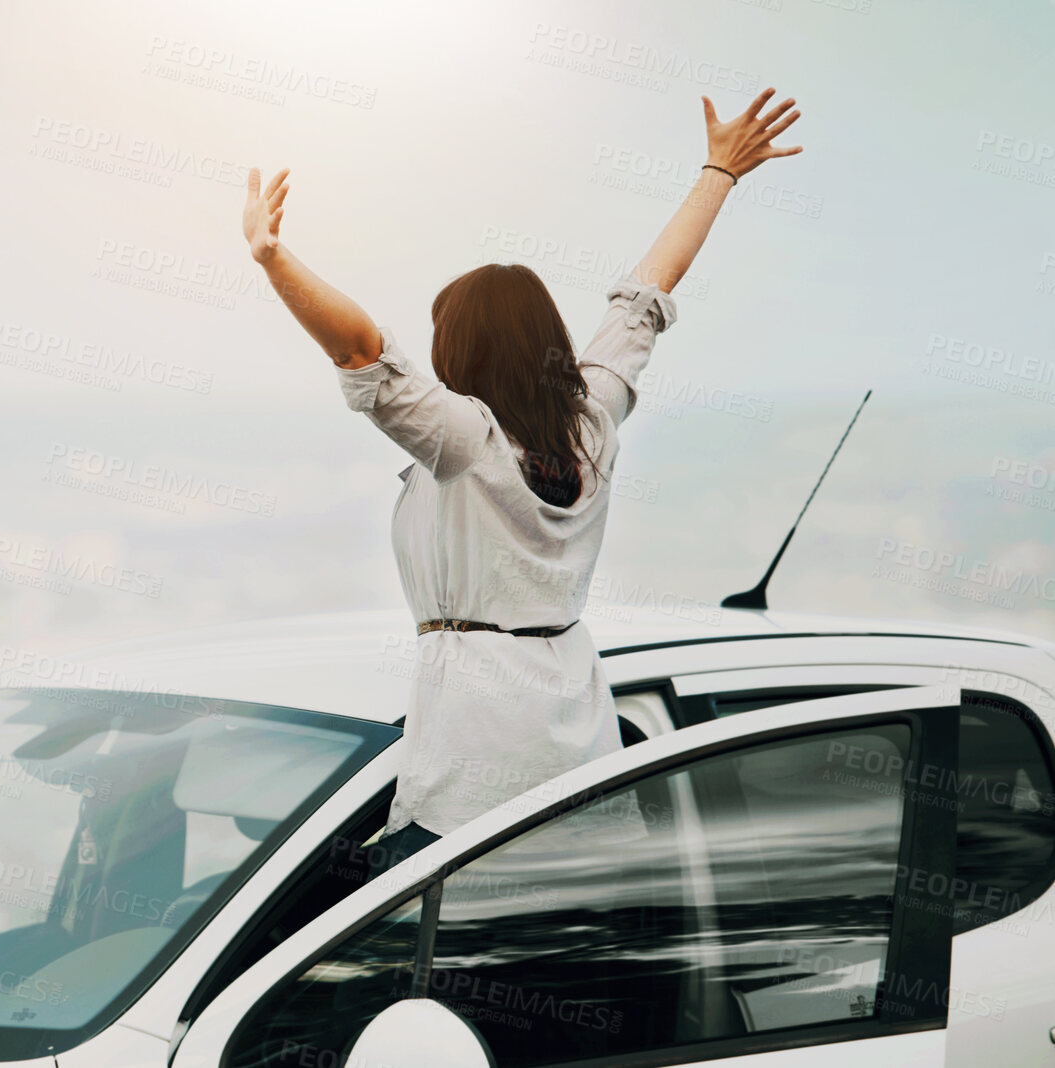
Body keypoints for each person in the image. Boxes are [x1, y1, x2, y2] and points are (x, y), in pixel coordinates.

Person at [241, 89, 805, 881]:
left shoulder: (462, 438)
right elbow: (645, 297)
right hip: (579, 747)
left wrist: (273, 260)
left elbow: (361, 347)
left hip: (475, 772)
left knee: (328, 901)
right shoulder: (592, 419)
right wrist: (717, 172)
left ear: (459, 347)